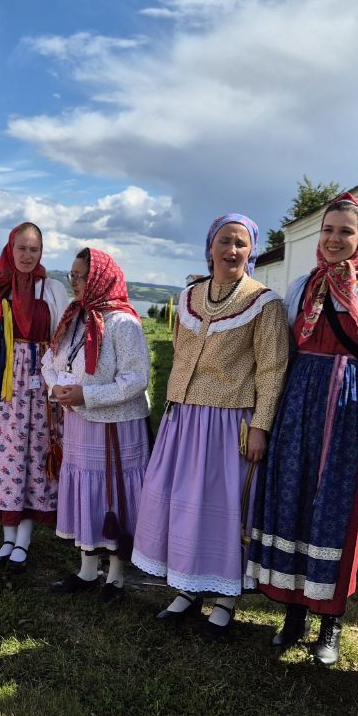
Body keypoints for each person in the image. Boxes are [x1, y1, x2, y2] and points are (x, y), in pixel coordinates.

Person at [244, 194, 358, 665]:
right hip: (298, 404)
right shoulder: (300, 287)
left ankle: (331, 620)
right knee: (291, 499)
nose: (334, 240)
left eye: (346, 232)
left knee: (338, 508)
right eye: (328, 230)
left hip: (351, 409)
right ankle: (293, 612)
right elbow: (283, 351)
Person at [131, 214, 289, 639]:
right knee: (180, 502)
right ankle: (186, 588)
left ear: (251, 250)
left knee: (221, 507)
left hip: (228, 422)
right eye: (225, 241)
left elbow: (272, 370)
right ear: (210, 246)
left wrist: (261, 426)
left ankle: (225, 597)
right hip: (183, 417)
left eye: (240, 243)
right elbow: (181, 354)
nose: (232, 250)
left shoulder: (264, 302)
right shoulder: (189, 297)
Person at [42, 248, 151, 602]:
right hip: (79, 421)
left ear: (102, 278)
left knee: (114, 494)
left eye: (83, 276)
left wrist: (86, 396)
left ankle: (116, 576)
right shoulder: (74, 317)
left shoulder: (123, 323)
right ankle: (88, 570)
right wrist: (55, 386)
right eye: (72, 276)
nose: (76, 283)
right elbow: (50, 360)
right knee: (85, 490)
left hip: (115, 424)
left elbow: (136, 380)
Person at [0, 223, 69, 572]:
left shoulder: (52, 290)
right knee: (7, 459)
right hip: (4, 389)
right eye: (22, 248)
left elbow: (64, 341)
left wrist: (60, 386)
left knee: (36, 459)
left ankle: (24, 540)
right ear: (11, 249)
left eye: (34, 250)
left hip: (41, 390)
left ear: (42, 253)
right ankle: (8, 538)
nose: (27, 256)